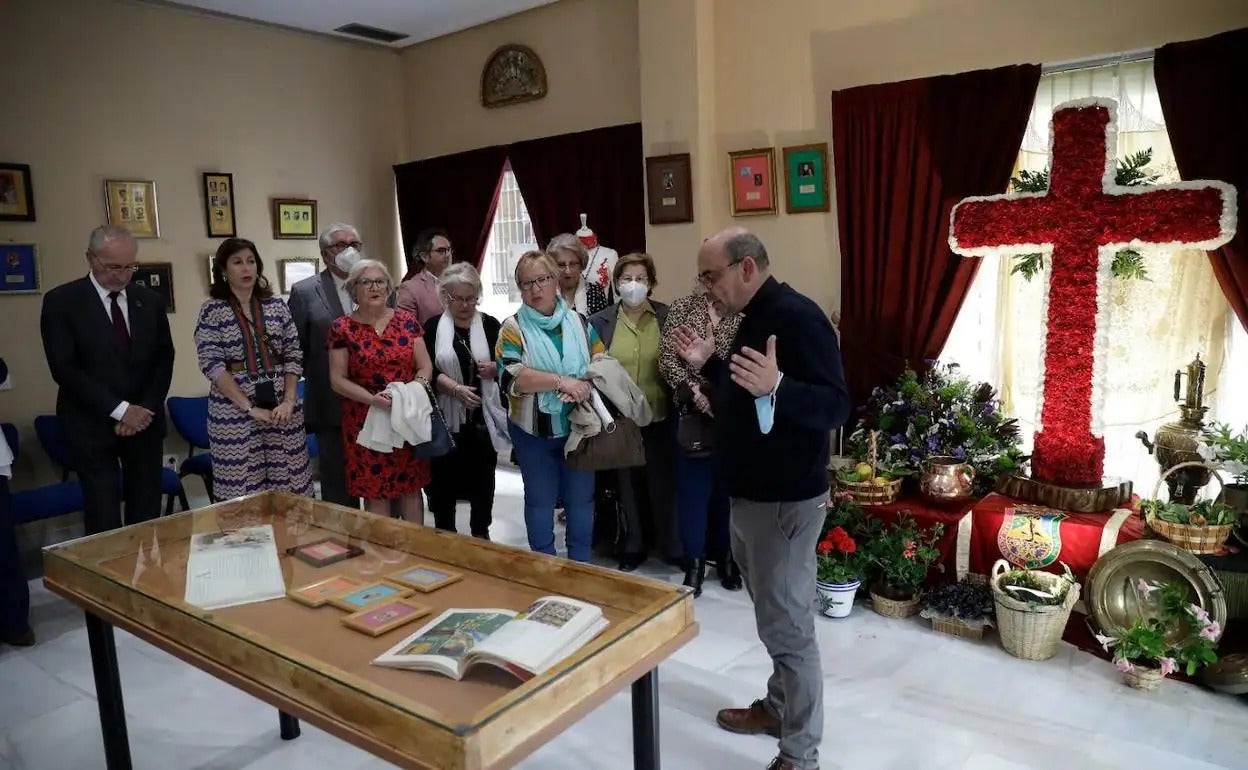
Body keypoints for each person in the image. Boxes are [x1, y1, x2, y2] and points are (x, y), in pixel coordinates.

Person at [672, 227, 849, 770]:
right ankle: (777, 707)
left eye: (711, 275)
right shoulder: (746, 321)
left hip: (784, 502)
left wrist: (781, 388)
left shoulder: (797, 317)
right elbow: (739, 401)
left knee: (790, 630)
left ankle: (799, 754)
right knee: (774, 618)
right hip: (750, 497)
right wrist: (707, 365)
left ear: (746, 268)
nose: (705, 288)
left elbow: (837, 406)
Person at [39, 225, 174, 535]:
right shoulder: (62, 301)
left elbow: (163, 359)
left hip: (144, 423)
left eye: (129, 266)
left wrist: (142, 410)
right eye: (113, 266)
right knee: (103, 516)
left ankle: (148, 580)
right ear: (91, 259)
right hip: (91, 425)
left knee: (147, 513)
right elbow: (64, 368)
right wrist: (120, 409)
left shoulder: (149, 301)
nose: (122, 274)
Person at [496, 250, 605, 562]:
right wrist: (562, 382)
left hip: (580, 427)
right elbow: (512, 377)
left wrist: (585, 382)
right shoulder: (512, 328)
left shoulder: (579, 322)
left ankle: (581, 563)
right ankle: (543, 564)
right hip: (533, 432)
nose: (535, 289)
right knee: (540, 502)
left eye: (542, 279)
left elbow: (601, 358)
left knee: (581, 501)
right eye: (527, 283)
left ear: (556, 281)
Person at [194, 238, 313, 500]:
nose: (246, 268)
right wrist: (249, 408)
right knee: (242, 494)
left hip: (283, 407)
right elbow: (212, 365)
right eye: (237, 262)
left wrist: (289, 401)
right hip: (234, 413)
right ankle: (247, 542)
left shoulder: (276, 306)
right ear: (224, 271)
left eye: (251, 261)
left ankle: (291, 541)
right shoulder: (212, 311)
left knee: (292, 488)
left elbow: (294, 353)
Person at [587, 252, 678, 571]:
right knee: (627, 484)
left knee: (663, 484)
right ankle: (634, 544)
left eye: (640, 279)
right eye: (627, 279)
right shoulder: (600, 322)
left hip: (661, 415)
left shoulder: (667, 317)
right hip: (621, 420)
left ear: (651, 283)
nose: (633, 285)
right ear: (616, 283)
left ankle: (669, 545)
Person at [328, 260, 433, 522]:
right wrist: (373, 400)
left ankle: (416, 553)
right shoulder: (342, 328)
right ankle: (383, 558)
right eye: (366, 282)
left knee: (410, 487)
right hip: (364, 421)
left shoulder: (407, 322)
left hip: (405, 417)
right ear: (354, 290)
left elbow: (425, 366)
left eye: (380, 281)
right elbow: (337, 379)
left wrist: (411, 393)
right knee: (376, 492)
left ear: (389, 288)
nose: (374, 287)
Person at [660, 284, 743, 596]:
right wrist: (694, 392)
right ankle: (694, 565)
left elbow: (746, 359)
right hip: (692, 415)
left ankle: (726, 560)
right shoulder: (683, 306)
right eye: (707, 273)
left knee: (726, 496)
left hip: (733, 416)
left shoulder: (743, 311)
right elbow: (667, 358)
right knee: (693, 496)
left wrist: (717, 395)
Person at [424, 263, 509, 539]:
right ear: (444, 297)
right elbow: (423, 369)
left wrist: (495, 368)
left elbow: (509, 364)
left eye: (471, 297)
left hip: (482, 419)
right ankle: (445, 534)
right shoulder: (434, 327)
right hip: (445, 419)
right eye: (457, 298)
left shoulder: (490, 324)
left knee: (483, 482)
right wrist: (449, 385)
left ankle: (481, 534)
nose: (465, 304)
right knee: (443, 482)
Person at [288, 223, 363, 507]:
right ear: (325, 254)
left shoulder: (375, 284)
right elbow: (296, 350)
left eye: (355, 244)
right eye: (341, 245)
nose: (350, 251)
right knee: (338, 482)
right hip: (331, 402)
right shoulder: (305, 291)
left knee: (379, 478)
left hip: (374, 400)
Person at [396, 228, 453, 325]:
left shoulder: (459, 281)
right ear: (424, 256)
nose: (448, 255)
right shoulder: (410, 288)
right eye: (441, 251)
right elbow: (405, 330)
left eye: (449, 250)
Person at [547, 234, 610, 317]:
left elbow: (602, 327)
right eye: (561, 265)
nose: (567, 271)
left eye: (573, 264)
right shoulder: (546, 292)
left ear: (581, 265)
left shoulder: (596, 293)